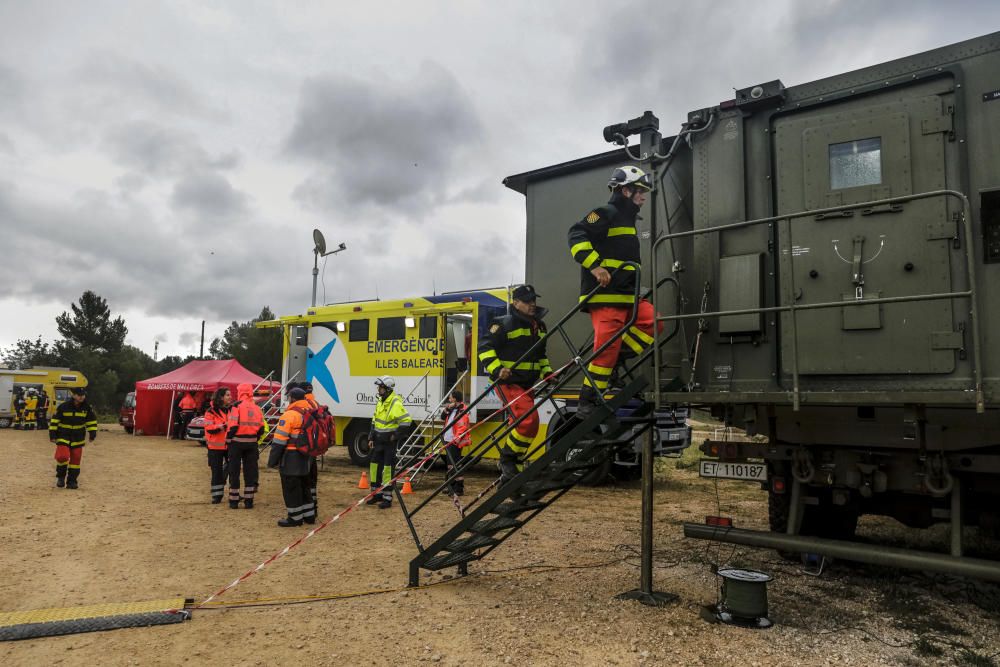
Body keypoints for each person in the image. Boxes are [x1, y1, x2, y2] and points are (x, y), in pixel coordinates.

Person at [567, 165, 659, 418]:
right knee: (605, 348)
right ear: (626, 190)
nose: (643, 196)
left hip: (628, 296)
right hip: (605, 295)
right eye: (640, 191)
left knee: (654, 323)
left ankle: (616, 360)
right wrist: (595, 266)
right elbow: (576, 234)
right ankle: (587, 400)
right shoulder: (605, 212)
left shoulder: (628, 219)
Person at [477, 284, 552, 483]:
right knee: (528, 422)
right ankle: (508, 460)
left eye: (533, 300)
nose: (532, 304)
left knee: (526, 427)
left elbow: (541, 355)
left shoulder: (540, 326)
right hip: (508, 384)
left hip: (527, 385)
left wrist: (547, 372)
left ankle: (511, 477)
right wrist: (497, 369)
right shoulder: (503, 324)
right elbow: (484, 348)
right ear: (515, 303)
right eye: (527, 301)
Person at [268, 387, 316, 526]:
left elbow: (279, 442)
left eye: (289, 397)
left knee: (291, 488)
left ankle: (295, 518)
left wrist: (272, 461)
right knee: (305, 486)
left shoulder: (289, 415)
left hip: (291, 457)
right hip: (307, 456)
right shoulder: (311, 412)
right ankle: (309, 516)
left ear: (293, 398)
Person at [367, 376, 412, 509]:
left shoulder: (395, 403)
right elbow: (375, 420)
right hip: (378, 441)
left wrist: (395, 436)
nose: (378, 389)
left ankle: (387, 498)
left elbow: (406, 421)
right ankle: (376, 494)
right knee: (375, 467)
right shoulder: (381, 401)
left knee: (387, 469)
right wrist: (371, 437)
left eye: (380, 387)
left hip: (389, 443)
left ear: (387, 389)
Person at [49, 386, 98, 489]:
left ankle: (72, 481)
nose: (81, 397)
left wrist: (92, 433)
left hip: (78, 437)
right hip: (63, 435)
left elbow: (91, 421)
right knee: (62, 457)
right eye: (79, 395)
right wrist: (52, 435)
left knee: (75, 461)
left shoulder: (87, 408)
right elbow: (54, 421)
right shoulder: (63, 406)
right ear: (73, 395)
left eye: (83, 395)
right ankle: (61, 478)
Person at [226, 383, 264, 509]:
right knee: (250, 473)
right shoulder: (257, 408)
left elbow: (233, 426)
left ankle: (234, 501)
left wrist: (228, 439)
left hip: (237, 443)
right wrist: (254, 438)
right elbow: (262, 428)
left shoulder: (236, 406)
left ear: (240, 392)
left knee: (234, 471)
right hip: (252, 444)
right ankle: (249, 501)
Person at [203, 387, 233, 504]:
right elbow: (209, 428)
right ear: (221, 397)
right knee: (216, 471)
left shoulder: (232, 410)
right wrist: (222, 426)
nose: (230, 397)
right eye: (227, 395)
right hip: (215, 447)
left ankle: (232, 493)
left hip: (229, 445)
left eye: (230, 395)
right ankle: (217, 495)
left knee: (231, 469)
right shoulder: (210, 412)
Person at [441, 390, 471, 496]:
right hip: (448, 439)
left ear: (454, 398)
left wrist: (457, 438)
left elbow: (462, 425)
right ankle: (451, 486)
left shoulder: (463, 409)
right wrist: (447, 408)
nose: (449, 399)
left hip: (455, 440)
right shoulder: (452, 408)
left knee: (455, 464)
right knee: (450, 465)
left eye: (450, 398)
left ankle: (459, 488)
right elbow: (442, 417)